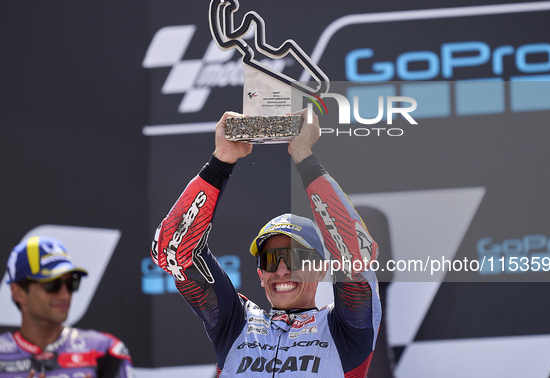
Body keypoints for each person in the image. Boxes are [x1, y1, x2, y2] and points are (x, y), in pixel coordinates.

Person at [151, 111, 381, 377]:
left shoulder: (347, 330)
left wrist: (304, 156)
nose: (281, 270)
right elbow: (174, 252)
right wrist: (221, 161)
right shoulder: (236, 324)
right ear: (260, 275)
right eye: (270, 260)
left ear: (320, 268)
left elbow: (354, 254)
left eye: (294, 258)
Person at [1, 236, 134, 378]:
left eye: (71, 283)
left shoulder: (106, 351)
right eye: (52, 285)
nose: (65, 295)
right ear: (18, 293)